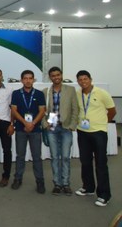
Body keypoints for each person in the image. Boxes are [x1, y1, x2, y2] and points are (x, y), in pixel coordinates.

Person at [75, 70, 116, 207]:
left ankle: (104, 195)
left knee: (100, 163)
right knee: (85, 161)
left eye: (85, 79)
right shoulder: (77, 93)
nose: (83, 82)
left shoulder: (101, 93)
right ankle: (88, 187)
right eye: (80, 80)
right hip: (82, 132)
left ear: (90, 79)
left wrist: (102, 123)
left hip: (98, 132)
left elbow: (112, 111)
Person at [42, 67, 78, 195]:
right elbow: (42, 111)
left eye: (58, 75)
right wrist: (45, 124)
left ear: (61, 75)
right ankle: (57, 184)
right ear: (50, 77)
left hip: (66, 128)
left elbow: (75, 109)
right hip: (51, 128)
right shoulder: (46, 92)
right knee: (54, 157)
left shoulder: (71, 90)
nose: (56, 77)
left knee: (65, 157)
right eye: (53, 75)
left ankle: (66, 184)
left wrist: (72, 125)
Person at [11, 70, 46, 193]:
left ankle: (40, 181)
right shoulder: (16, 93)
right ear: (21, 80)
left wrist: (33, 123)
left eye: (30, 78)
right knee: (20, 156)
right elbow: (14, 111)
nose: (28, 80)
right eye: (25, 78)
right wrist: (25, 123)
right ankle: (18, 179)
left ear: (33, 80)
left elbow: (42, 111)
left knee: (37, 157)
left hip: (35, 130)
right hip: (21, 129)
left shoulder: (39, 94)